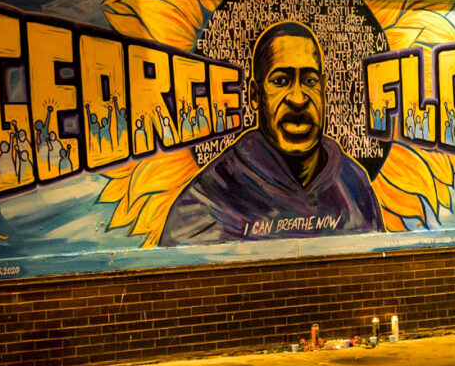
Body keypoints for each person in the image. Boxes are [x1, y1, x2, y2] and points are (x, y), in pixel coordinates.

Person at [159, 21, 383, 245]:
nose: (298, 98)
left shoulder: (354, 185)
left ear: (323, 90)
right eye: (280, 81)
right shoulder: (207, 201)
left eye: (309, 81)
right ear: (255, 95)